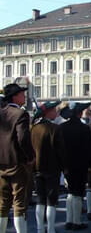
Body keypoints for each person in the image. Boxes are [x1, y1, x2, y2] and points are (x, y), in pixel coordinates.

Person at [0, 84, 34, 233]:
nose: (24, 96)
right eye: (22, 94)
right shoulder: (20, 114)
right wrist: (30, 156)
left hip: (1, 163)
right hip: (17, 163)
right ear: (15, 96)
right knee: (19, 203)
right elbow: (23, 139)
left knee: (3, 203)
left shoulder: (1, 112)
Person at [31, 101, 67, 233]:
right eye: (54, 110)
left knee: (40, 200)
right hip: (52, 169)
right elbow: (61, 152)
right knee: (52, 200)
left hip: (37, 169)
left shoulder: (33, 129)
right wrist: (64, 168)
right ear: (48, 113)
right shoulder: (55, 129)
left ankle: (40, 229)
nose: (56, 113)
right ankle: (51, 229)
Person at [60, 102, 91, 231]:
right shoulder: (84, 128)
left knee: (70, 191)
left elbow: (59, 149)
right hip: (80, 164)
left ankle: (69, 220)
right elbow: (89, 149)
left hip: (66, 165)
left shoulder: (62, 128)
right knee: (78, 193)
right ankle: (77, 221)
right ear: (80, 113)